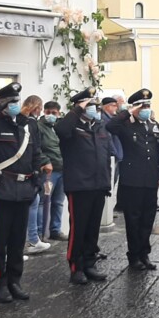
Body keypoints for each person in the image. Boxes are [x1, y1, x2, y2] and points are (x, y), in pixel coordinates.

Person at [0, 83, 49, 301]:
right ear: (3, 104)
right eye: (11, 102)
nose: (16, 105)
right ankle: (1, 283)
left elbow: (36, 152)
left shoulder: (28, 125)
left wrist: (37, 181)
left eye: (17, 101)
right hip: (2, 188)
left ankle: (15, 281)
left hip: (24, 188)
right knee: (1, 241)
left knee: (17, 239)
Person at [55, 88, 113, 285]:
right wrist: (77, 110)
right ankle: (76, 266)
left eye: (95, 105)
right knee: (78, 229)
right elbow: (61, 131)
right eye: (90, 105)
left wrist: (106, 182)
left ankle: (89, 263)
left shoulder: (99, 126)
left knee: (92, 229)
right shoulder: (72, 126)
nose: (94, 108)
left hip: (98, 185)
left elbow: (106, 157)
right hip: (80, 186)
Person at [106, 88, 159, 271]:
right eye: (142, 106)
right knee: (133, 219)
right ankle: (134, 256)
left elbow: (158, 151)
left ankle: (144, 253)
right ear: (135, 108)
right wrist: (128, 112)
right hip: (132, 180)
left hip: (150, 179)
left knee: (148, 218)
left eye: (147, 106)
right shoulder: (125, 124)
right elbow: (110, 126)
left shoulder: (153, 125)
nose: (145, 109)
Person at [21, 95, 52, 255]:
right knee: (33, 202)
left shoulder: (24, 121)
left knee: (34, 203)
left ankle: (32, 239)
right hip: (31, 168)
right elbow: (36, 147)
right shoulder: (32, 123)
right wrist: (43, 161)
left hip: (28, 167)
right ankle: (32, 239)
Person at [37, 101, 68, 241]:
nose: (50, 115)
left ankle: (55, 230)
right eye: (48, 112)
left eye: (54, 113)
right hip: (48, 171)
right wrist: (45, 161)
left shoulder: (59, 126)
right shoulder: (39, 127)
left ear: (59, 113)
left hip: (62, 169)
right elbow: (36, 147)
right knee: (43, 201)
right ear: (44, 112)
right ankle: (40, 232)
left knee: (58, 202)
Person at [102, 97, 124, 213]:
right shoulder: (105, 119)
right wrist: (114, 153)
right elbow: (108, 139)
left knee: (113, 183)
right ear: (107, 106)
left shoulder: (111, 118)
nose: (117, 108)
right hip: (112, 156)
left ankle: (109, 210)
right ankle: (107, 211)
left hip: (116, 155)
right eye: (114, 105)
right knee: (110, 183)